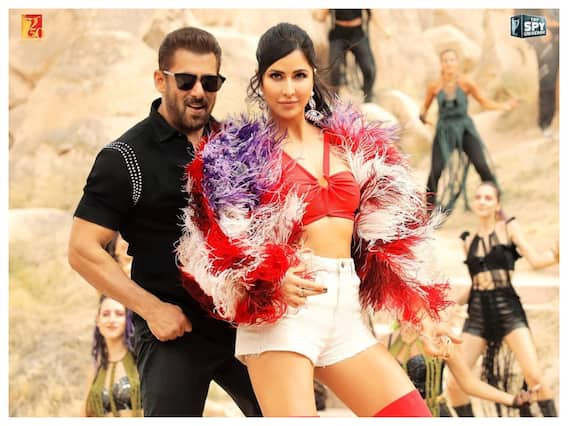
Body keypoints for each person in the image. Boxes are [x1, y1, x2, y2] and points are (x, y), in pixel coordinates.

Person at [177, 22, 460, 417]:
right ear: (260, 81)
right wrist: (266, 278)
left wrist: (422, 315)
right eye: (276, 76)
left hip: (345, 311)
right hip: (284, 315)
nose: (288, 89)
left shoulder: (351, 146)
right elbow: (216, 244)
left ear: (313, 75)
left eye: (298, 75)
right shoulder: (237, 156)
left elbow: (390, 243)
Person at [68, 26, 262, 417]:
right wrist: (152, 310)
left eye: (210, 82)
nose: (199, 92)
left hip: (244, 325)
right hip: (174, 329)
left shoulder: (233, 143)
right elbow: (82, 249)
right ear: (161, 80)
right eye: (186, 80)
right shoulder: (125, 157)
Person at [445, 181, 558, 417]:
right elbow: (476, 283)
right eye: (478, 197)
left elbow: (536, 260)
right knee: (455, 383)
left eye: (488, 198)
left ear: (497, 204)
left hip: (508, 309)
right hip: (478, 313)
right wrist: (450, 304)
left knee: (534, 377)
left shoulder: (509, 228)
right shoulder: (468, 240)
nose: (482, 201)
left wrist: (557, 255)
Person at [420, 48, 516, 215]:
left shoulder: (466, 83)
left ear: (457, 63)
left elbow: (484, 102)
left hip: (465, 130)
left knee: (481, 164)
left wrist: (504, 106)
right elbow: (424, 110)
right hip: (444, 133)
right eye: (445, 60)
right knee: (435, 171)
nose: (448, 63)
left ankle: (496, 203)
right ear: (441, 64)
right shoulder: (434, 86)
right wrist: (425, 119)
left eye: (452, 60)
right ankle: (428, 210)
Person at [386, 321, 533, 417]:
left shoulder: (442, 341)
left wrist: (513, 400)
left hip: (436, 414)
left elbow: (469, 383)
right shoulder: (385, 341)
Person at [82, 294, 142, 417]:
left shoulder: (140, 359)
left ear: (127, 320)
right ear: (97, 320)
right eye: (106, 314)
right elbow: (85, 414)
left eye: (119, 314)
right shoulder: (96, 367)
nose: (112, 320)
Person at [312, 9, 389, 103]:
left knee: (369, 68)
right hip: (338, 34)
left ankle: (368, 97)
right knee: (335, 68)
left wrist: (384, 29)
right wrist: (318, 13)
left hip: (357, 34)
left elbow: (372, 13)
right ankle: (335, 98)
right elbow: (320, 18)